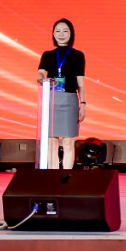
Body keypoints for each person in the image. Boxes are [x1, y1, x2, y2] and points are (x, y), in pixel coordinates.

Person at [36, 19, 86, 170]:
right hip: (51, 100)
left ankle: (67, 176)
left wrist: (83, 104)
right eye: (58, 31)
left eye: (65, 31)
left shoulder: (78, 55)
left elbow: (80, 83)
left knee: (69, 141)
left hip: (70, 100)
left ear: (71, 33)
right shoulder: (47, 55)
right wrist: (42, 80)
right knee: (52, 141)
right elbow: (40, 74)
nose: (61, 34)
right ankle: (53, 176)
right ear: (53, 34)